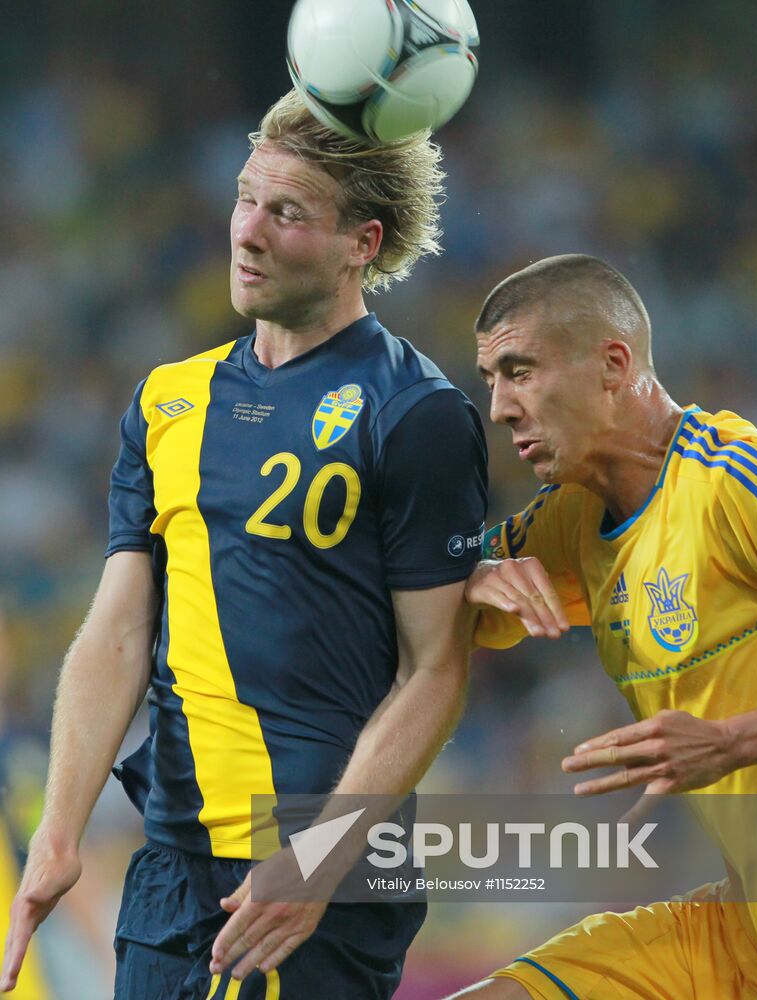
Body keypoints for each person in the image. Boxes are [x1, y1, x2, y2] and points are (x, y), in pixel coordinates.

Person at [0, 89, 488, 1000]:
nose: (247, 232)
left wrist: (320, 857)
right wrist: (60, 830)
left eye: (288, 212)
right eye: (244, 199)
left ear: (362, 245)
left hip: (316, 874)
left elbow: (437, 670)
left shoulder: (415, 415)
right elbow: (116, 632)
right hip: (170, 865)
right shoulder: (166, 400)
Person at [450, 254, 757, 999]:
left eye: (519, 371)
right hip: (747, 931)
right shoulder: (570, 518)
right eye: (490, 379)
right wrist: (464, 576)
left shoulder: (740, 483)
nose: (499, 407)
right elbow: (424, 611)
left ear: (612, 365)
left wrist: (730, 741)